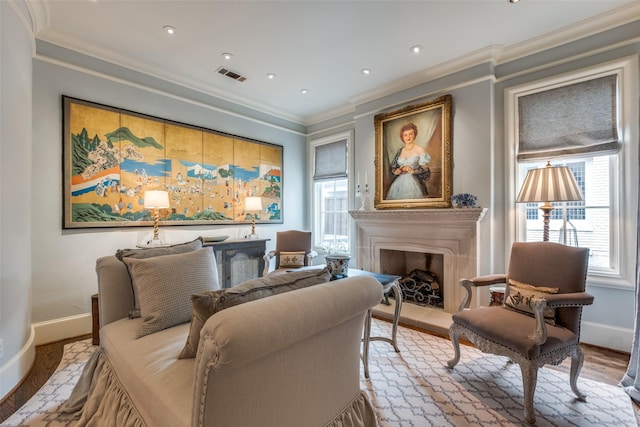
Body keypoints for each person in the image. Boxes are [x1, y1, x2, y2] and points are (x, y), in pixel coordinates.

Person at [387, 123, 431, 200]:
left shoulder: (419, 150)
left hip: (414, 182)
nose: (408, 137)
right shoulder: (400, 151)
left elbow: (426, 169)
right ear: (402, 137)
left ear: (415, 135)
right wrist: (396, 171)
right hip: (398, 184)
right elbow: (393, 168)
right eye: (405, 135)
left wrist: (413, 170)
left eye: (411, 134)